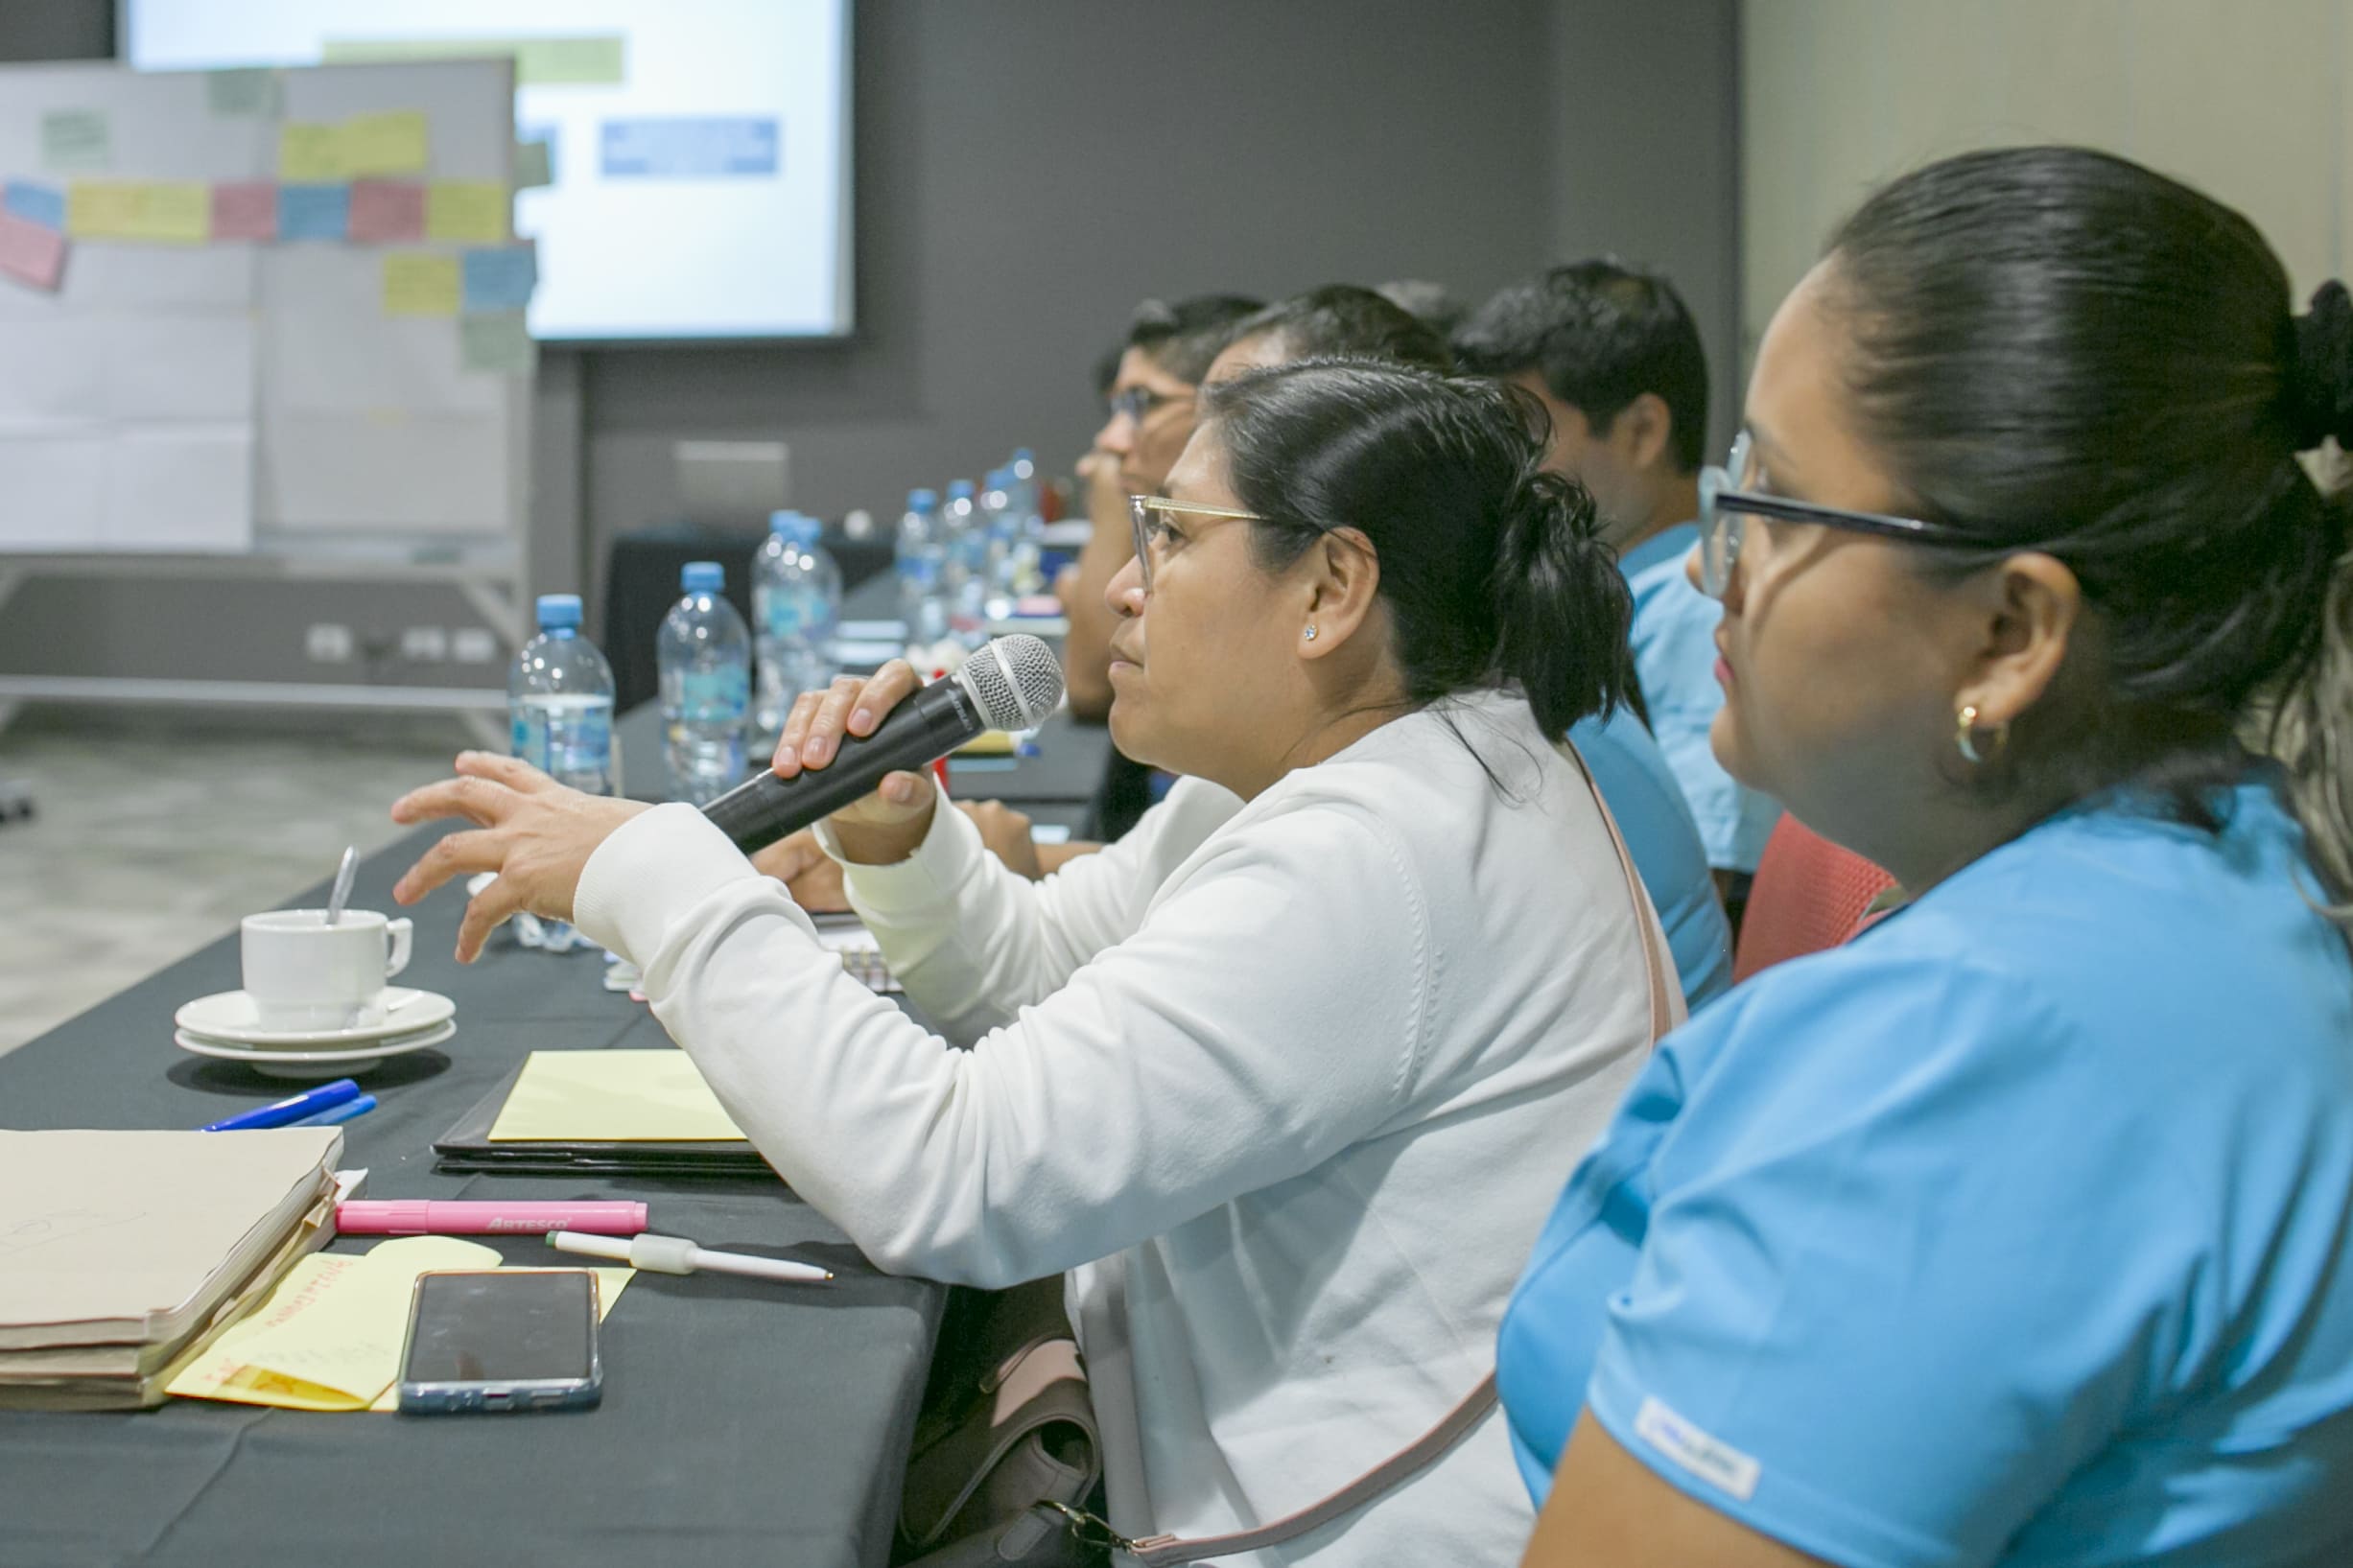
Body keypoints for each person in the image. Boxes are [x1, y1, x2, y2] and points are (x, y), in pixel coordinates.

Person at [389, 362, 1669, 1567]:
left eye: (1171, 533)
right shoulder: (1408, 770)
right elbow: (1050, 997)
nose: (1123, 582)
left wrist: (658, 872)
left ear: (1332, 586)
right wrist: (896, 838)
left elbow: (955, 1174)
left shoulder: (1379, 849)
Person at [1499, 146, 2353, 1567]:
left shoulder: (1971, 1054)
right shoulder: (2226, 866)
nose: (1714, 564)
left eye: (1771, 501)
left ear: (2009, 635)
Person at [1456, 262, 1781, 921]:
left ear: (1641, 431)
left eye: (1524, 434)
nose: (1501, 471)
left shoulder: (1699, 616)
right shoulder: (1603, 594)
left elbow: (1698, 897)